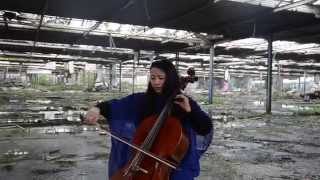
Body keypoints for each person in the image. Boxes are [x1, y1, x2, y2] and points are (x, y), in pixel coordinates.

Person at [84, 59, 213, 180]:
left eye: (161, 78)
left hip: (175, 169)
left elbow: (205, 127)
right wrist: (98, 109)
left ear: (171, 79)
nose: (156, 82)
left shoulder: (184, 101)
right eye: (153, 78)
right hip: (143, 160)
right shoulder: (143, 100)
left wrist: (190, 112)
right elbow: (116, 106)